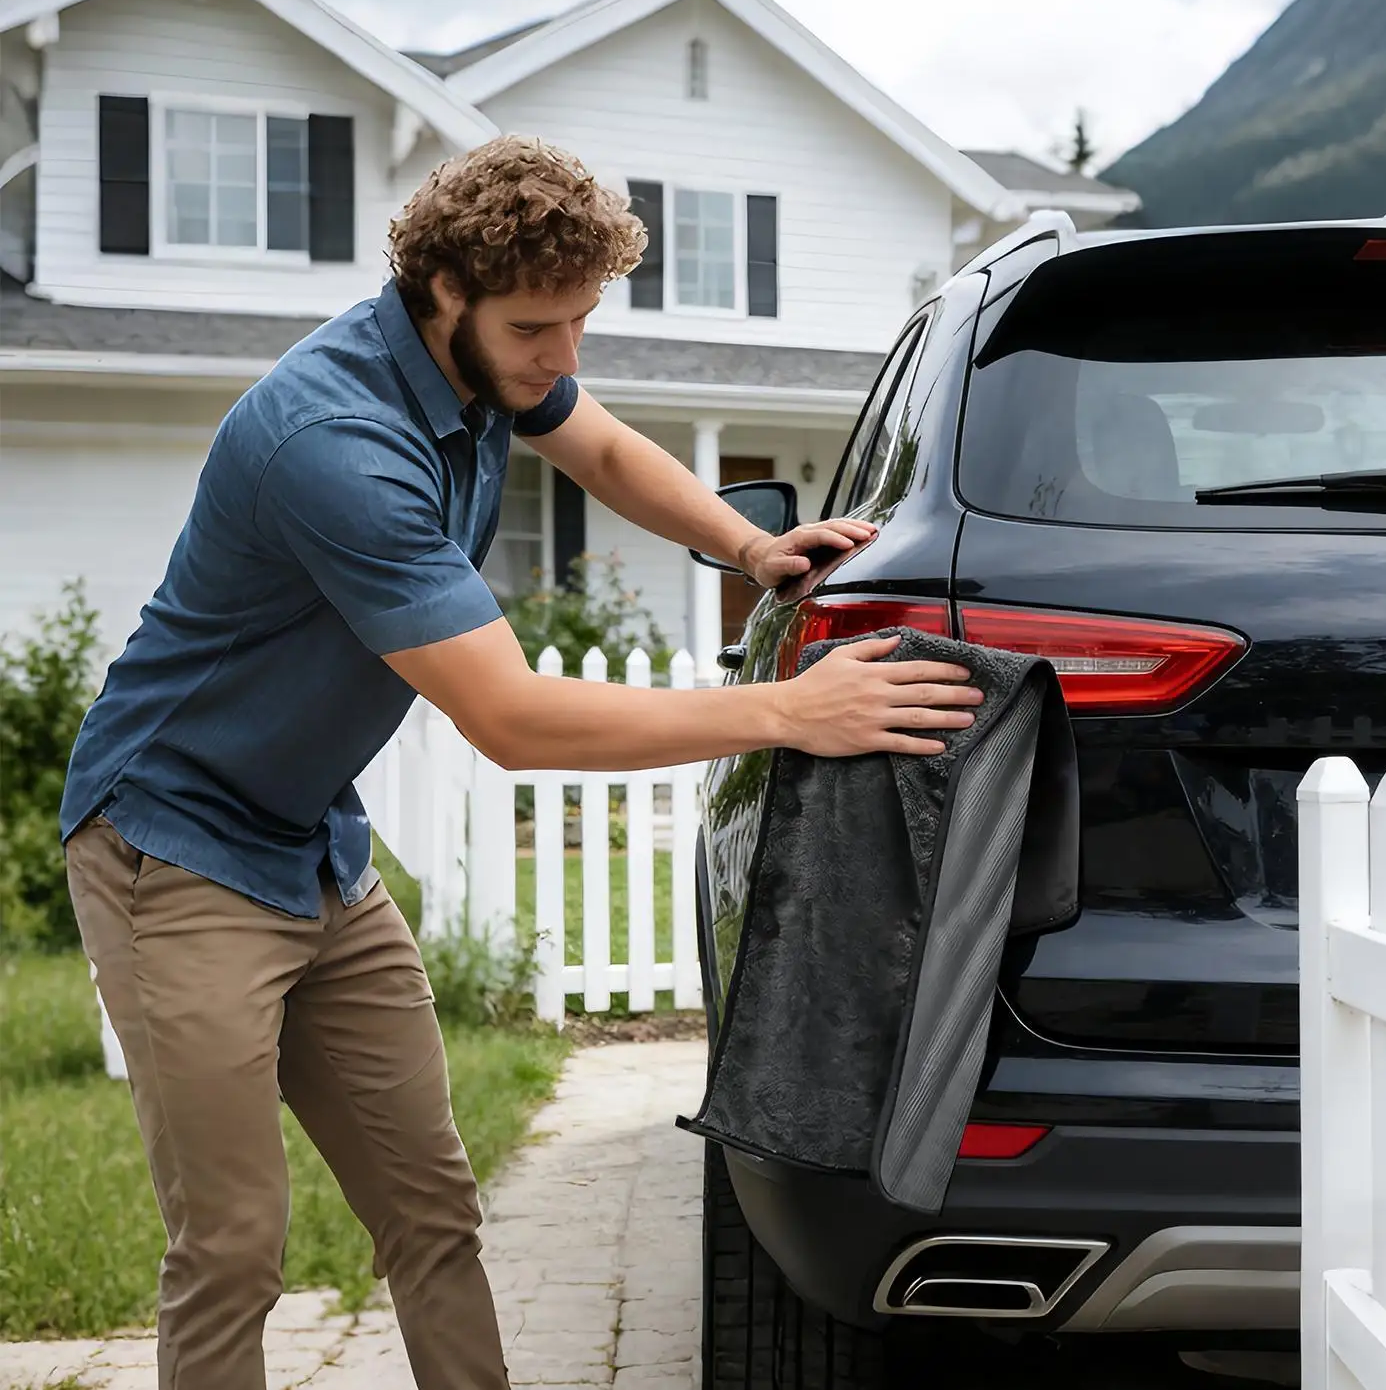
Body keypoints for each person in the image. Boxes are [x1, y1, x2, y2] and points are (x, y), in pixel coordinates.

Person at [58, 136, 983, 1390]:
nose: (564, 356)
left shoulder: (483, 363)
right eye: (539, 328)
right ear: (442, 291)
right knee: (231, 1246)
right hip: (171, 848)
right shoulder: (335, 441)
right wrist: (788, 710)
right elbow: (512, 717)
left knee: (432, 1207)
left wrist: (745, 546)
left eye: (581, 320)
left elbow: (599, 449)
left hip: (312, 841)